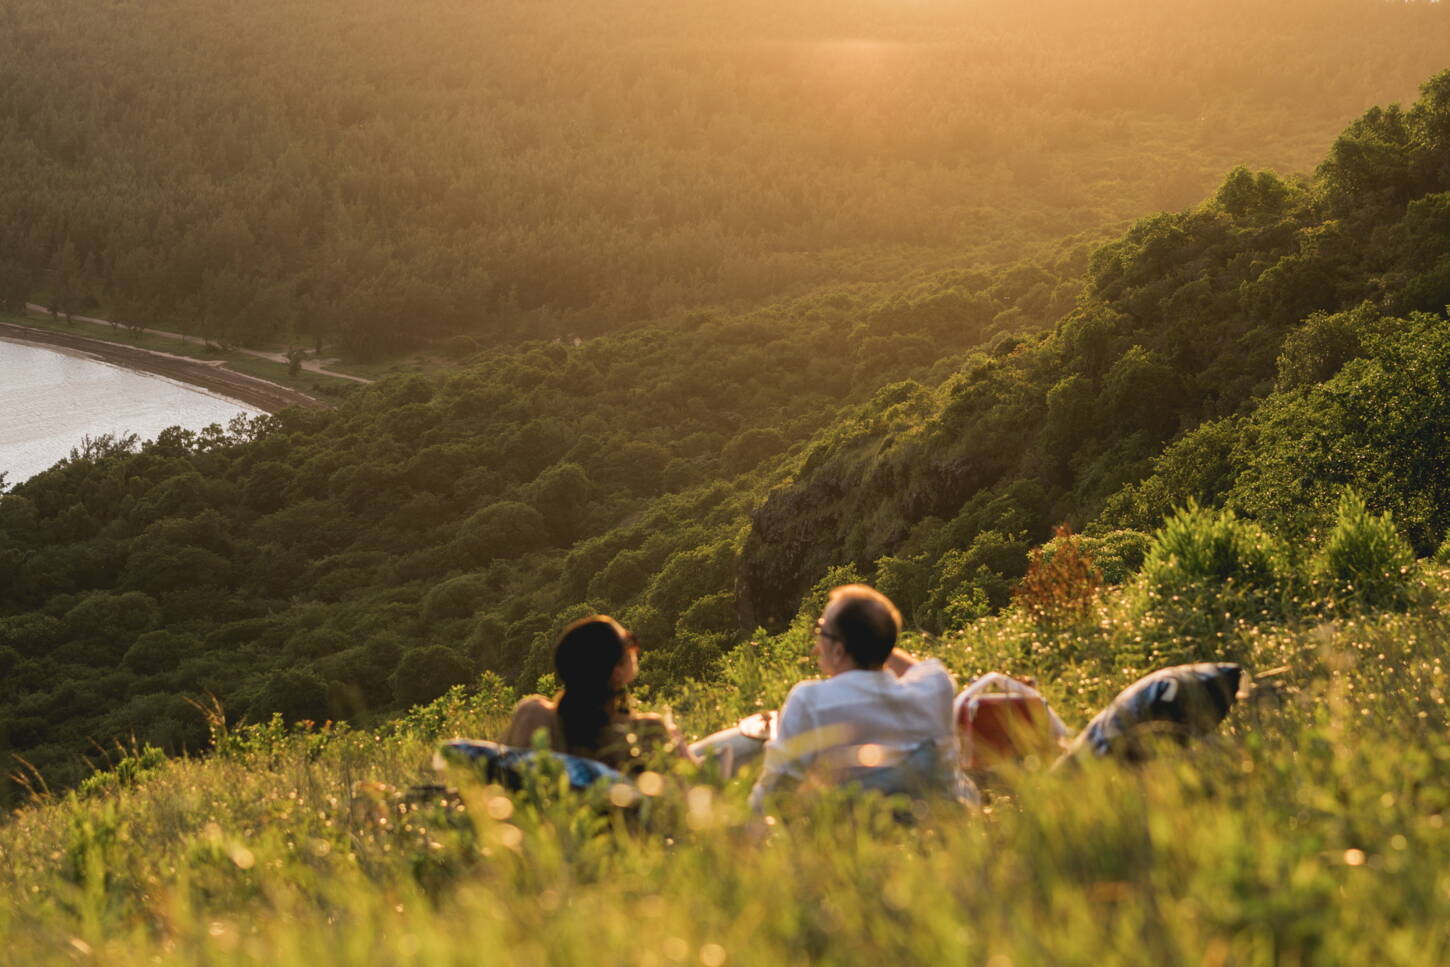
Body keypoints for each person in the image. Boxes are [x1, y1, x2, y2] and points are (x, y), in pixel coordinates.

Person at [748, 584, 970, 811]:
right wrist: (871, 639)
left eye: (821, 632)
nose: (816, 645)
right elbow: (921, 670)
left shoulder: (810, 702)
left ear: (838, 651)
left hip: (860, 838)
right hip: (945, 830)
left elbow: (771, 797)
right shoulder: (935, 689)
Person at [502, 615, 696, 772]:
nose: (634, 648)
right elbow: (696, 790)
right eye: (628, 644)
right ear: (617, 673)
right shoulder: (647, 732)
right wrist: (675, 741)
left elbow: (503, 769)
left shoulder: (534, 717)